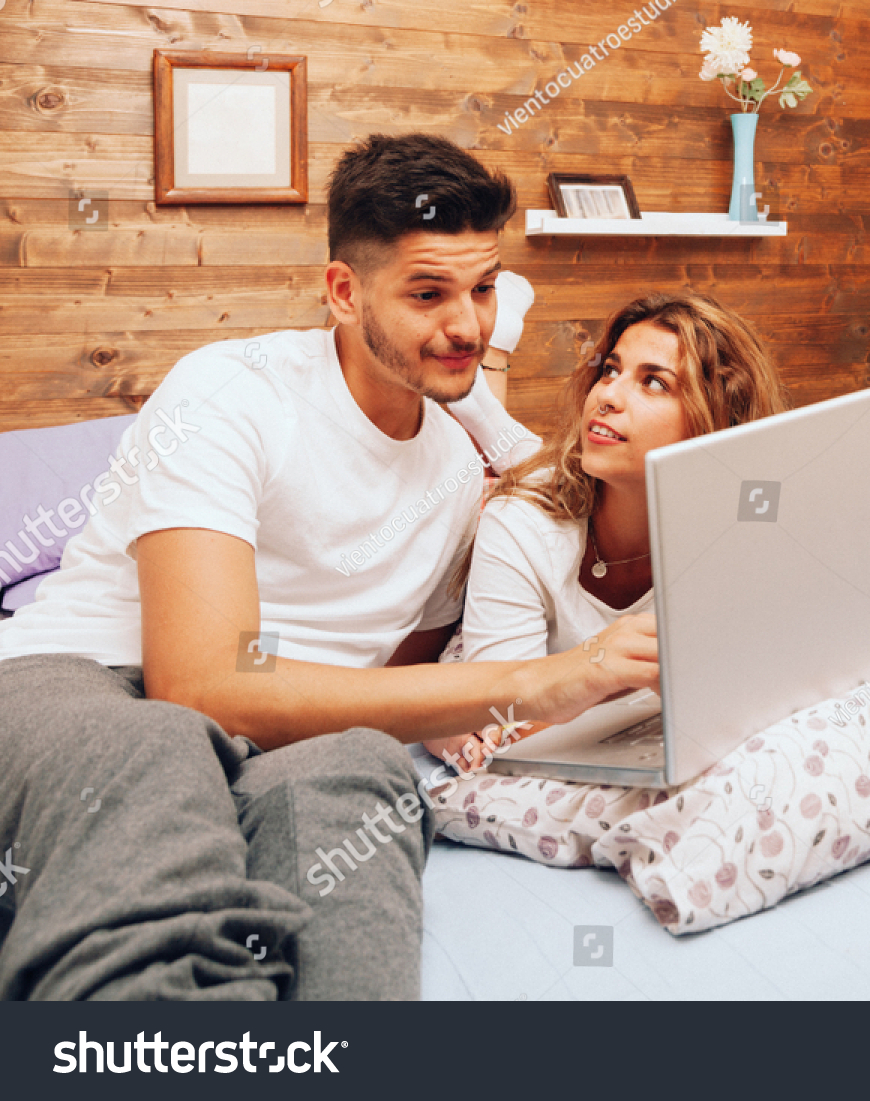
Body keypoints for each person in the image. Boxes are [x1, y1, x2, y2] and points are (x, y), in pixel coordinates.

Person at [0, 133, 655, 1000]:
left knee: (365, 776)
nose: (468, 325)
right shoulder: (231, 393)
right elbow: (199, 685)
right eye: (429, 293)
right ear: (345, 293)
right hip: (92, 679)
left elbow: (399, 680)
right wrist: (541, 679)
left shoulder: (460, 475)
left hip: (286, 732)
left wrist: (492, 719)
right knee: (159, 747)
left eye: (485, 288)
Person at [423, 292, 789, 769]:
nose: (607, 395)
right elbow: (507, 722)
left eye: (653, 382)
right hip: (484, 639)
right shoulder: (520, 519)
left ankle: (489, 407)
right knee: (528, 477)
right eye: (610, 370)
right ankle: (487, 401)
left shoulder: (745, 533)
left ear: (717, 421)